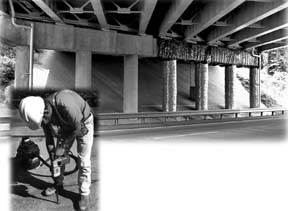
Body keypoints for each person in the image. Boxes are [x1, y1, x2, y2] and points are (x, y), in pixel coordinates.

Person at [19, 89, 94, 211]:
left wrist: (63, 146)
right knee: (58, 159)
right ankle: (58, 183)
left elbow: (77, 128)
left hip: (83, 123)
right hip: (67, 125)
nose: (44, 123)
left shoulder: (66, 104)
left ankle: (84, 193)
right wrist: (54, 159)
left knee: (83, 160)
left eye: (43, 121)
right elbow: (49, 140)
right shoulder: (42, 114)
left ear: (46, 111)